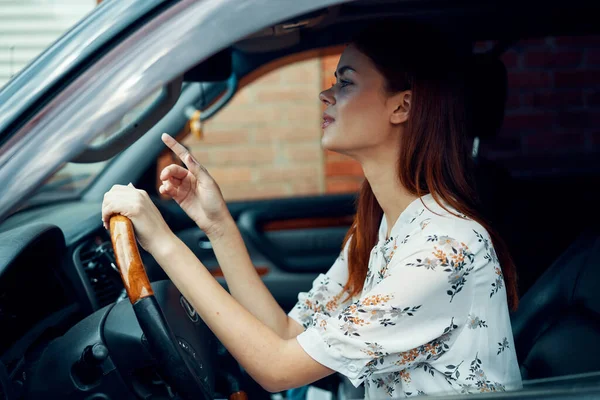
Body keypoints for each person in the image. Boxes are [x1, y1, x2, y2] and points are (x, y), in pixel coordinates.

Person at [102, 20, 522, 398]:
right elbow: (285, 333)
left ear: (401, 106)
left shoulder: (443, 248)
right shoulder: (379, 229)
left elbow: (277, 368)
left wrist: (162, 241)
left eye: (346, 82)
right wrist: (216, 224)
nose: (326, 94)